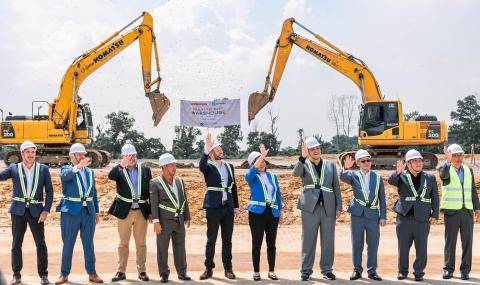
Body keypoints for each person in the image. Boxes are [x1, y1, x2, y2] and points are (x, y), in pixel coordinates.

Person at [0, 141, 53, 285]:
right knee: (16, 244)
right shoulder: (14, 168)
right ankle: (16, 275)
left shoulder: (43, 169)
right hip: (18, 212)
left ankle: (43, 275)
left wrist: (46, 210)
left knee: (40, 244)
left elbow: (49, 191)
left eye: (33, 152)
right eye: (28, 152)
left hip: (37, 212)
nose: (31, 155)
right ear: (22, 153)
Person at [293, 137, 342, 281]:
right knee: (308, 239)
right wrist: (301, 159)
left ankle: (326, 269)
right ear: (307, 151)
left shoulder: (330, 165)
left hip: (328, 207)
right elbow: (295, 174)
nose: (315, 151)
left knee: (328, 240)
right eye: (312, 149)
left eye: (317, 148)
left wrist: (339, 206)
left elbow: (336, 188)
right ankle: (306, 270)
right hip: (310, 208)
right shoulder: (304, 164)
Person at [55, 143, 103, 285]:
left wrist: (96, 211)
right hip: (70, 212)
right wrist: (78, 167)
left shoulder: (90, 172)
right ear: (72, 156)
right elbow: (66, 176)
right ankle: (64, 274)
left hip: (88, 212)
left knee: (89, 244)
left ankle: (92, 273)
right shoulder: (66, 169)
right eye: (80, 154)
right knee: (68, 244)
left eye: (84, 154)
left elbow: (93, 193)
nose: (83, 156)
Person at [388, 149, 439, 281]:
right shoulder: (401, 176)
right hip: (404, 218)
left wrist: (435, 215)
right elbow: (391, 181)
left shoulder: (430, 178)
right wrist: (397, 172)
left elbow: (435, 197)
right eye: (415, 161)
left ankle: (419, 272)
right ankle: (402, 271)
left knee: (422, 248)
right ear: (408, 164)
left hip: (422, 218)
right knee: (403, 247)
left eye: (420, 161)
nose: (418, 163)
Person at [108, 144, 152, 282]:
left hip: (141, 211)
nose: (131, 158)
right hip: (124, 212)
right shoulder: (119, 171)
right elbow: (110, 176)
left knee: (141, 243)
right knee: (123, 244)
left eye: (133, 155)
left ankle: (142, 271)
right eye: (128, 156)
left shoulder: (145, 170)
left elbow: (149, 192)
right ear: (123, 157)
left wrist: (151, 211)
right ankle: (121, 271)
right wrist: (121, 165)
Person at [198, 133, 239, 280]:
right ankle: (208, 269)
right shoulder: (208, 166)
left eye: (221, 149)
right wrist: (205, 151)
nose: (221, 151)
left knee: (227, 240)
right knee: (211, 239)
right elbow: (200, 166)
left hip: (227, 208)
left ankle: (228, 269)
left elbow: (233, 187)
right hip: (213, 208)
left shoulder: (229, 166)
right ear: (212, 152)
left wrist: (236, 206)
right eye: (218, 149)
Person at [341, 149, 386, 281]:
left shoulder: (377, 177)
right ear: (358, 163)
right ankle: (357, 270)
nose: (367, 163)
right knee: (357, 243)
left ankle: (372, 271)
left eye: (368, 160)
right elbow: (342, 177)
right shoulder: (353, 175)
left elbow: (382, 198)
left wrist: (383, 216)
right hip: (357, 214)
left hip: (372, 214)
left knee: (373, 244)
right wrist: (345, 168)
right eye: (363, 161)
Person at [440, 144, 480, 280]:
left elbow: (473, 190)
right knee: (450, 242)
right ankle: (448, 269)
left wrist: (477, 207)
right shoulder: (445, 169)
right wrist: (447, 161)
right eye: (455, 155)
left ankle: (465, 271)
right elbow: (442, 176)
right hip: (451, 212)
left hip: (467, 211)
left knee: (467, 242)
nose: (458, 158)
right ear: (450, 156)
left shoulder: (468, 170)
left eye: (460, 155)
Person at [150, 153, 191, 283]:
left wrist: (187, 216)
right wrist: (156, 222)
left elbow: (184, 199)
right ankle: (164, 274)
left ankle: (182, 272)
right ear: (164, 167)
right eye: (171, 165)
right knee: (162, 248)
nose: (174, 167)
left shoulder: (179, 181)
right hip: (163, 222)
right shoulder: (155, 183)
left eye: (174, 164)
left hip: (179, 220)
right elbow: (154, 204)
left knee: (180, 248)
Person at [245, 144, 284, 281]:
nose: (262, 163)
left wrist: (281, 211)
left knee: (271, 244)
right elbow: (251, 172)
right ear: (253, 164)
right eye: (258, 161)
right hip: (256, 214)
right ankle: (256, 271)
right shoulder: (251, 177)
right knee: (257, 243)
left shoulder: (273, 176)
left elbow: (278, 194)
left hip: (272, 213)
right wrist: (262, 155)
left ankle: (271, 270)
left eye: (263, 161)